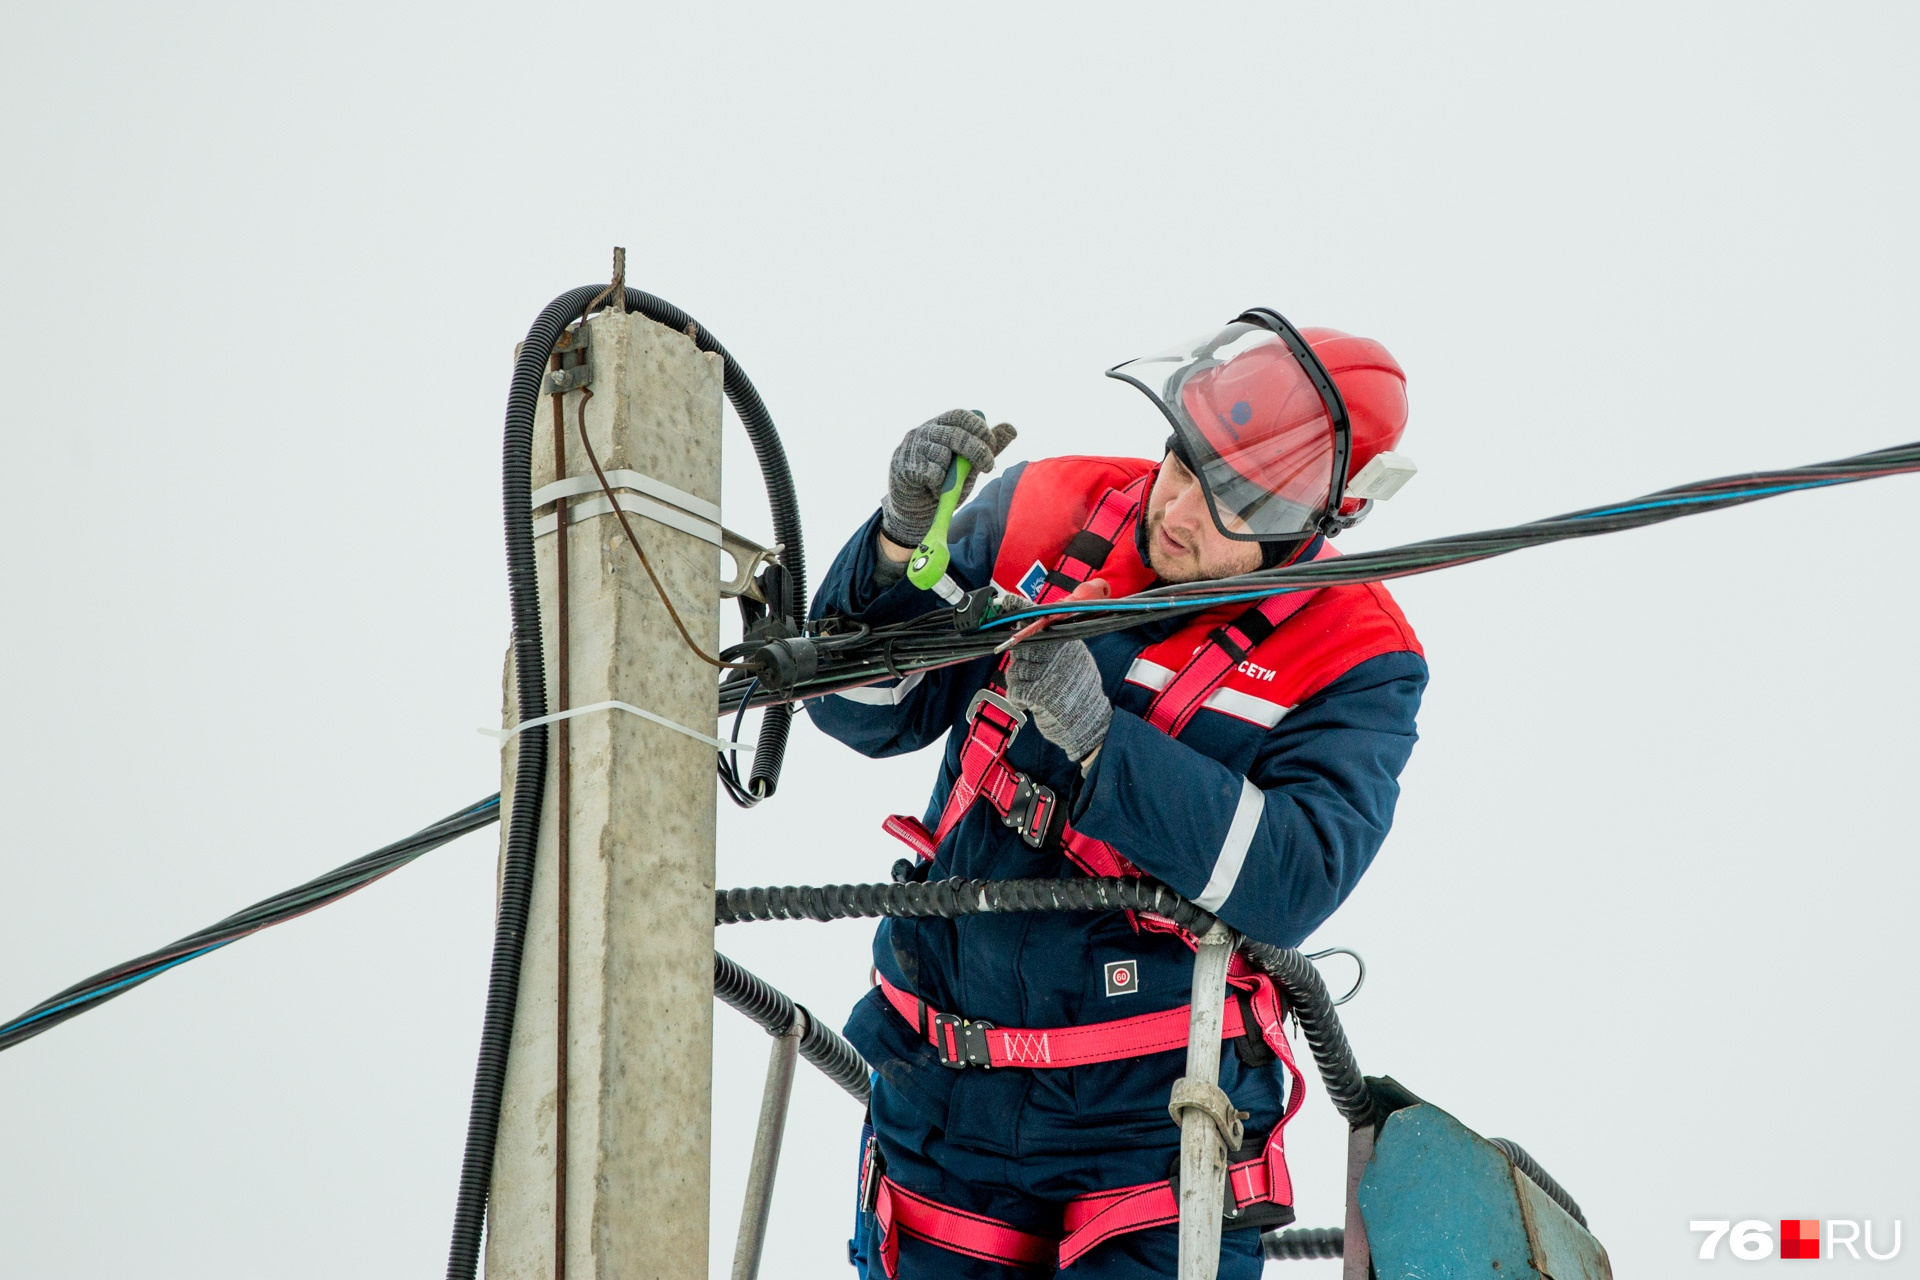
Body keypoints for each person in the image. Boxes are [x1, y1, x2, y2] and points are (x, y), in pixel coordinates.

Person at [806, 310, 1428, 1278]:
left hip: (1152, 1121)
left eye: (1235, 505)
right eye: (1182, 465)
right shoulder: (1048, 510)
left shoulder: (1357, 656)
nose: (1178, 511)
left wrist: (1103, 743)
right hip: (944, 1103)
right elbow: (863, 710)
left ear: (1323, 521)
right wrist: (893, 551)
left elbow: (1292, 875)